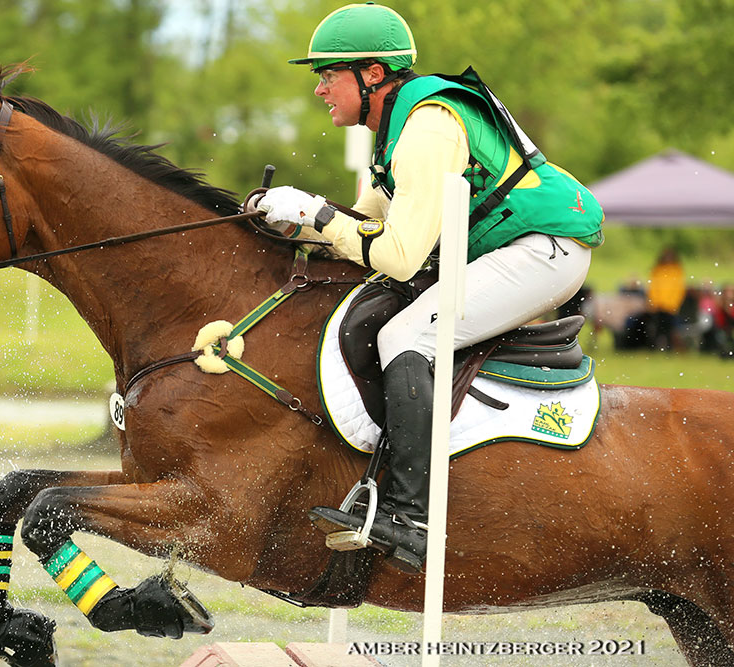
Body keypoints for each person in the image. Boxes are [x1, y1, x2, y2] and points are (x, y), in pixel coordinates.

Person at [255, 3, 605, 573]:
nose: (319, 89)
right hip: (515, 247)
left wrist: (320, 217)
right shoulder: (395, 129)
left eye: (328, 74)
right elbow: (362, 228)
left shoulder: (426, 127)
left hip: (545, 252)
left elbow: (394, 255)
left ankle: (409, 518)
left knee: (404, 337)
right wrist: (295, 224)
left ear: (373, 75)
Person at [646, 247, 685, 351]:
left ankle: (669, 347)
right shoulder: (657, 270)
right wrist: (654, 302)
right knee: (657, 328)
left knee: (669, 328)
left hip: (671, 306)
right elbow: (653, 287)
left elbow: (678, 289)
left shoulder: (677, 271)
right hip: (658, 305)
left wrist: (673, 304)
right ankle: (654, 347)